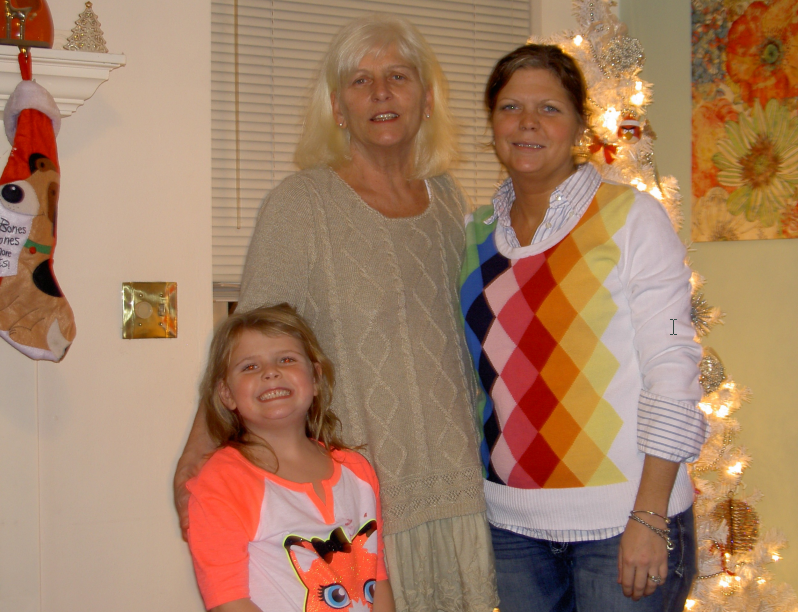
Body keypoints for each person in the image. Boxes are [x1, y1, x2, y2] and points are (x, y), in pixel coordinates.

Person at [175, 14, 497, 612]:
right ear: (337, 107)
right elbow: (247, 344)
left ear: (426, 100)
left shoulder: (452, 201)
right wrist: (200, 453)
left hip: (460, 492)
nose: (380, 92)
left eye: (397, 76)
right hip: (360, 499)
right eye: (359, 80)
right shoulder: (301, 206)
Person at [459, 44, 708, 612]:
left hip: (622, 522)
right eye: (509, 107)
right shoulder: (473, 234)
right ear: (492, 121)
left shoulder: (630, 218)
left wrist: (648, 515)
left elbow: (672, 373)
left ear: (578, 124)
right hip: (511, 530)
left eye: (549, 108)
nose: (527, 123)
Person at [187, 304, 394, 611]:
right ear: (226, 393)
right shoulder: (221, 482)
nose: (271, 372)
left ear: (315, 378)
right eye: (249, 367)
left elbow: (377, 577)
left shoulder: (357, 471)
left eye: (286, 359)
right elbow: (228, 600)